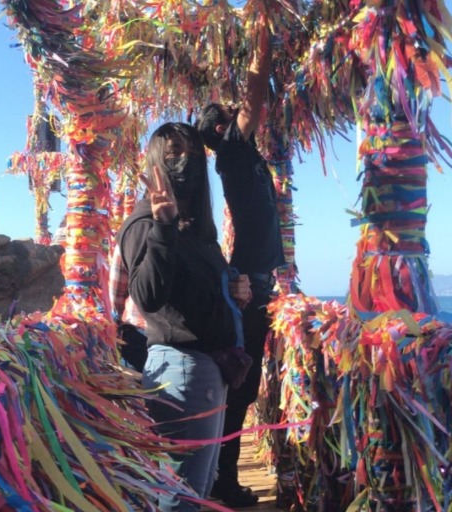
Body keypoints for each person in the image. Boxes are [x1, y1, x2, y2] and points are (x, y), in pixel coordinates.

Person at [116, 122, 251, 511]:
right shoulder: (147, 223)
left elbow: (198, 293)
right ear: (156, 160)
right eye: (174, 153)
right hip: (183, 369)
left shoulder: (193, 229)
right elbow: (147, 297)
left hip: (208, 369)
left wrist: (236, 289)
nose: (185, 163)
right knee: (181, 496)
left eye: (193, 154)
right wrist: (162, 226)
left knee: (196, 489)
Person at [195, 10, 285, 508]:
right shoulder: (231, 150)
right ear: (225, 127)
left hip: (258, 275)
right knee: (242, 389)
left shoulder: (236, 155)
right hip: (252, 277)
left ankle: (219, 479)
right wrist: (261, 28)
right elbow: (257, 99)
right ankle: (221, 483)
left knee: (243, 389)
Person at [109, 244, 148, 372]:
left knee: (136, 386)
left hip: (139, 329)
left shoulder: (130, 235)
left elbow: (117, 291)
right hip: (184, 334)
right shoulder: (190, 234)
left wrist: (117, 318)